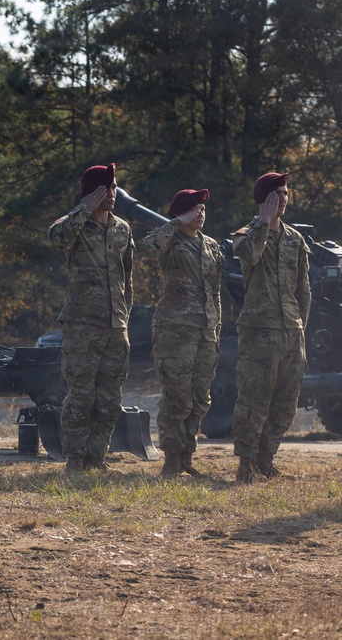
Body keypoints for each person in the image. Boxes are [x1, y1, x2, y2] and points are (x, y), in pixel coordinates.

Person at [48, 163, 134, 473]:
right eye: (105, 188)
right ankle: (75, 459)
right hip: (82, 325)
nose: (111, 193)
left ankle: (96, 457)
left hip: (115, 325)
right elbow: (56, 236)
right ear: (91, 191)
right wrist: (85, 206)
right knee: (81, 396)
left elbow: (128, 278)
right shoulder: (75, 223)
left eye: (113, 188)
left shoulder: (123, 229)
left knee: (110, 399)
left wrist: (124, 317)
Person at [230, 172, 310, 483]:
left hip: (291, 330)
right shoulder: (247, 233)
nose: (284, 199)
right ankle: (245, 463)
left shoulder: (295, 239)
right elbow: (249, 255)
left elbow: (302, 290)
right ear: (265, 198)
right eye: (277, 193)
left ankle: (266, 459)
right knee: (254, 399)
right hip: (258, 332)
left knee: (285, 401)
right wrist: (263, 221)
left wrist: (300, 323)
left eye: (286, 193)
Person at [141, 189, 222, 477]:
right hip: (174, 330)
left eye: (202, 209)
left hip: (205, 332)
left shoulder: (211, 246)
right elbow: (147, 246)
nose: (200, 214)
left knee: (200, 398)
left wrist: (216, 328)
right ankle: (171, 460)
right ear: (179, 213)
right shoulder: (169, 239)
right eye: (194, 210)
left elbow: (215, 291)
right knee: (177, 396)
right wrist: (176, 222)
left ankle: (187, 456)